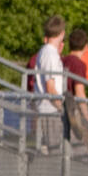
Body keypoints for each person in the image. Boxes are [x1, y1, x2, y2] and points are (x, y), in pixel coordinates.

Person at [32, 15, 66, 154]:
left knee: (57, 151)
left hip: (49, 109)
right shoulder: (50, 54)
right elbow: (50, 88)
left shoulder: (48, 52)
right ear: (62, 33)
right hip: (50, 110)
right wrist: (62, 108)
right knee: (55, 152)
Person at [61, 27, 88, 142]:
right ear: (86, 46)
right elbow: (79, 92)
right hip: (73, 114)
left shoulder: (62, 60)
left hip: (61, 109)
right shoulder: (79, 64)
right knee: (81, 153)